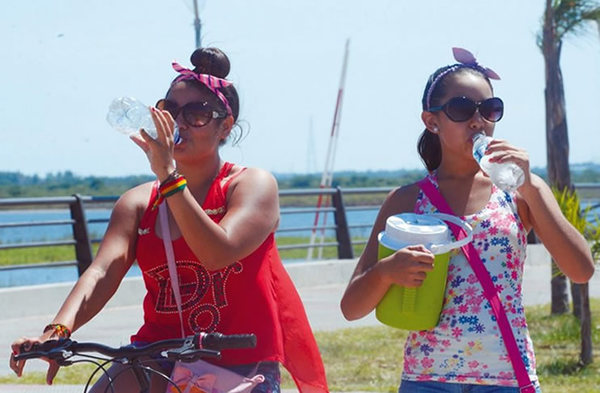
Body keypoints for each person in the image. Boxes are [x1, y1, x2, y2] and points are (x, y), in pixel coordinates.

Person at [10, 47, 329, 393]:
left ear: (225, 127)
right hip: (156, 356)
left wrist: (168, 177)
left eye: (197, 114)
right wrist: (58, 331)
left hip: (238, 363)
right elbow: (102, 271)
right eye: (170, 111)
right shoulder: (137, 202)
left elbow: (217, 253)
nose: (179, 123)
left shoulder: (252, 185)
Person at [340, 47, 595, 392]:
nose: (478, 121)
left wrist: (531, 183)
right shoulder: (406, 200)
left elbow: (581, 270)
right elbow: (352, 307)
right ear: (432, 121)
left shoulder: (520, 192)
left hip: (506, 378)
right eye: (461, 109)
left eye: (490, 110)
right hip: (427, 379)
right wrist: (387, 272)